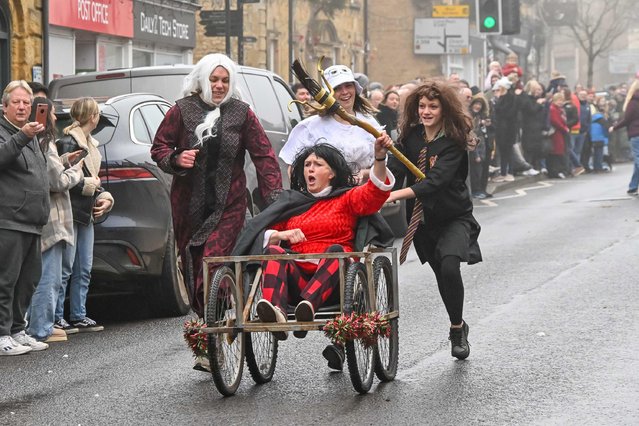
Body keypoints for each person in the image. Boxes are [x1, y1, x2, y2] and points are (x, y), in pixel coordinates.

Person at [232, 138, 395, 370]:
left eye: (317, 164)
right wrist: (282, 235)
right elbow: (260, 233)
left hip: (336, 282)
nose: (310, 168)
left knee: (335, 252)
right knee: (273, 251)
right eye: (307, 164)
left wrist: (379, 158)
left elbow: (376, 192)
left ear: (331, 173)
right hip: (297, 281)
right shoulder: (292, 204)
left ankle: (309, 305)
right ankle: (275, 310)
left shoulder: (347, 199)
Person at [150, 53, 283, 319]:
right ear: (203, 80)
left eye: (225, 80)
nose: (220, 85)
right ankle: (209, 328)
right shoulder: (181, 110)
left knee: (214, 256)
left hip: (229, 203)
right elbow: (159, 148)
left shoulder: (241, 113)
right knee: (193, 261)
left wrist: (275, 200)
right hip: (188, 205)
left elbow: (264, 155)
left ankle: (222, 306)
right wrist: (176, 158)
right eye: (214, 79)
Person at [386, 80, 482, 360]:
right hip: (423, 222)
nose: (426, 111)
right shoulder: (410, 138)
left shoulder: (453, 142)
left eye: (433, 106)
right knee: (442, 272)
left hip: (454, 216)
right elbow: (393, 172)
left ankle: (456, 329)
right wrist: (378, 163)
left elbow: (434, 182)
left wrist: (393, 197)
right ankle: (459, 322)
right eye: (422, 106)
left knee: (451, 265)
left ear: (444, 109)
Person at [26, 97, 84, 343]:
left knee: (40, 276)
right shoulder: (45, 141)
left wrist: (64, 160)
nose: (52, 119)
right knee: (48, 278)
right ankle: (41, 328)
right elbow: (57, 182)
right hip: (53, 218)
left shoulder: (32, 140)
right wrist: (76, 171)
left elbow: (48, 169)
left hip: (40, 217)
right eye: (50, 114)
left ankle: (41, 325)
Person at [55, 97, 114, 333]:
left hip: (86, 211)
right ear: (93, 116)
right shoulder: (70, 143)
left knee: (84, 267)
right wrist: (92, 186)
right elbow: (64, 180)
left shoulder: (89, 143)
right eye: (98, 113)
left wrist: (105, 196)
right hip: (70, 211)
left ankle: (79, 314)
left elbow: (92, 180)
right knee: (66, 268)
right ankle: (58, 316)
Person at [0, 80, 49, 355]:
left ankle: (18, 330)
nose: (22, 106)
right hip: (8, 220)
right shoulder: (13, 133)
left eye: (26, 103)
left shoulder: (30, 134)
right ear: (4, 106)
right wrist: (22, 137)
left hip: (33, 221)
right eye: (16, 102)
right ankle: (1, 334)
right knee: (5, 280)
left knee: (28, 280)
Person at [279, 64, 381, 182]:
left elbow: (381, 165)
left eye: (348, 86)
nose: (344, 92)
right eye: (337, 88)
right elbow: (293, 169)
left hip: (362, 195)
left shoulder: (369, 123)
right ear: (328, 94)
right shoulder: (309, 127)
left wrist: (363, 173)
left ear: (355, 89)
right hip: (326, 197)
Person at [609, 80, 639, 195]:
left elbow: (627, 119)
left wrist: (614, 127)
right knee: (637, 161)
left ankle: (633, 185)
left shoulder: (633, 102)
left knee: (637, 159)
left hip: (636, 133)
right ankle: (633, 185)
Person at [468, 94, 493, 199]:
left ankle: (482, 190)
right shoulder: (471, 117)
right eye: (476, 104)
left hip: (485, 148)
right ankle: (476, 191)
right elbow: (472, 136)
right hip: (476, 149)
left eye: (480, 104)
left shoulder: (481, 117)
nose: (478, 106)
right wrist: (476, 153)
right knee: (476, 172)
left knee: (483, 171)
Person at [547, 92, 570, 179]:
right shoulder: (553, 109)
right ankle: (554, 172)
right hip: (556, 133)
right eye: (558, 100)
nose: (560, 102)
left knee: (559, 152)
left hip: (560, 133)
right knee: (555, 153)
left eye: (562, 100)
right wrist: (565, 128)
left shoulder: (559, 109)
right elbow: (555, 121)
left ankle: (558, 170)